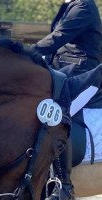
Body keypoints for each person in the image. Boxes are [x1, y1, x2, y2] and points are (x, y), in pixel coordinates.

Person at [29, 0, 102, 199]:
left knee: (57, 113)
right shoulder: (68, 7)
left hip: (83, 74)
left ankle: (63, 186)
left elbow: (59, 37)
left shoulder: (84, 6)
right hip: (63, 71)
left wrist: (27, 52)